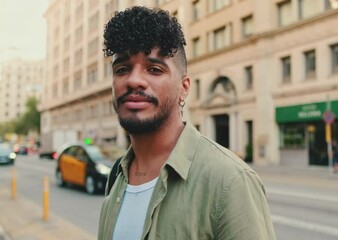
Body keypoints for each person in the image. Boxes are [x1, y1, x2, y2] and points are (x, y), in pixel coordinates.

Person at [98, 6, 276, 240]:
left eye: (154, 69)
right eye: (122, 69)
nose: (134, 80)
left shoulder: (230, 181)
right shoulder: (116, 177)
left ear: (184, 88)